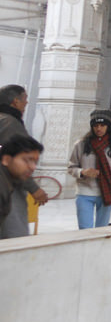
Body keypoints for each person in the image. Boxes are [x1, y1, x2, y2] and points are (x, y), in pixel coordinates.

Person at [68, 109, 111, 229]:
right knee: (85, 230)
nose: (99, 129)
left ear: (108, 126)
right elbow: (71, 167)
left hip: (107, 193)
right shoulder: (81, 144)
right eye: (95, 125)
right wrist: (82, 172)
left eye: (102, 125)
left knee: (101, 230)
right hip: (84, 192)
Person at [0, 84, 48, 238]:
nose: (27, 103)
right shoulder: (10, 123)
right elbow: (18, 161)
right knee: (14, 237)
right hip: (9, 188)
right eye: (25, 99)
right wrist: (34, 188)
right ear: (15, 101)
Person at [0, 134, 44, 234]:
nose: (33, 167)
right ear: (6, 160)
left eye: (35, 162)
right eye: (27, 160)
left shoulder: (8, 180)